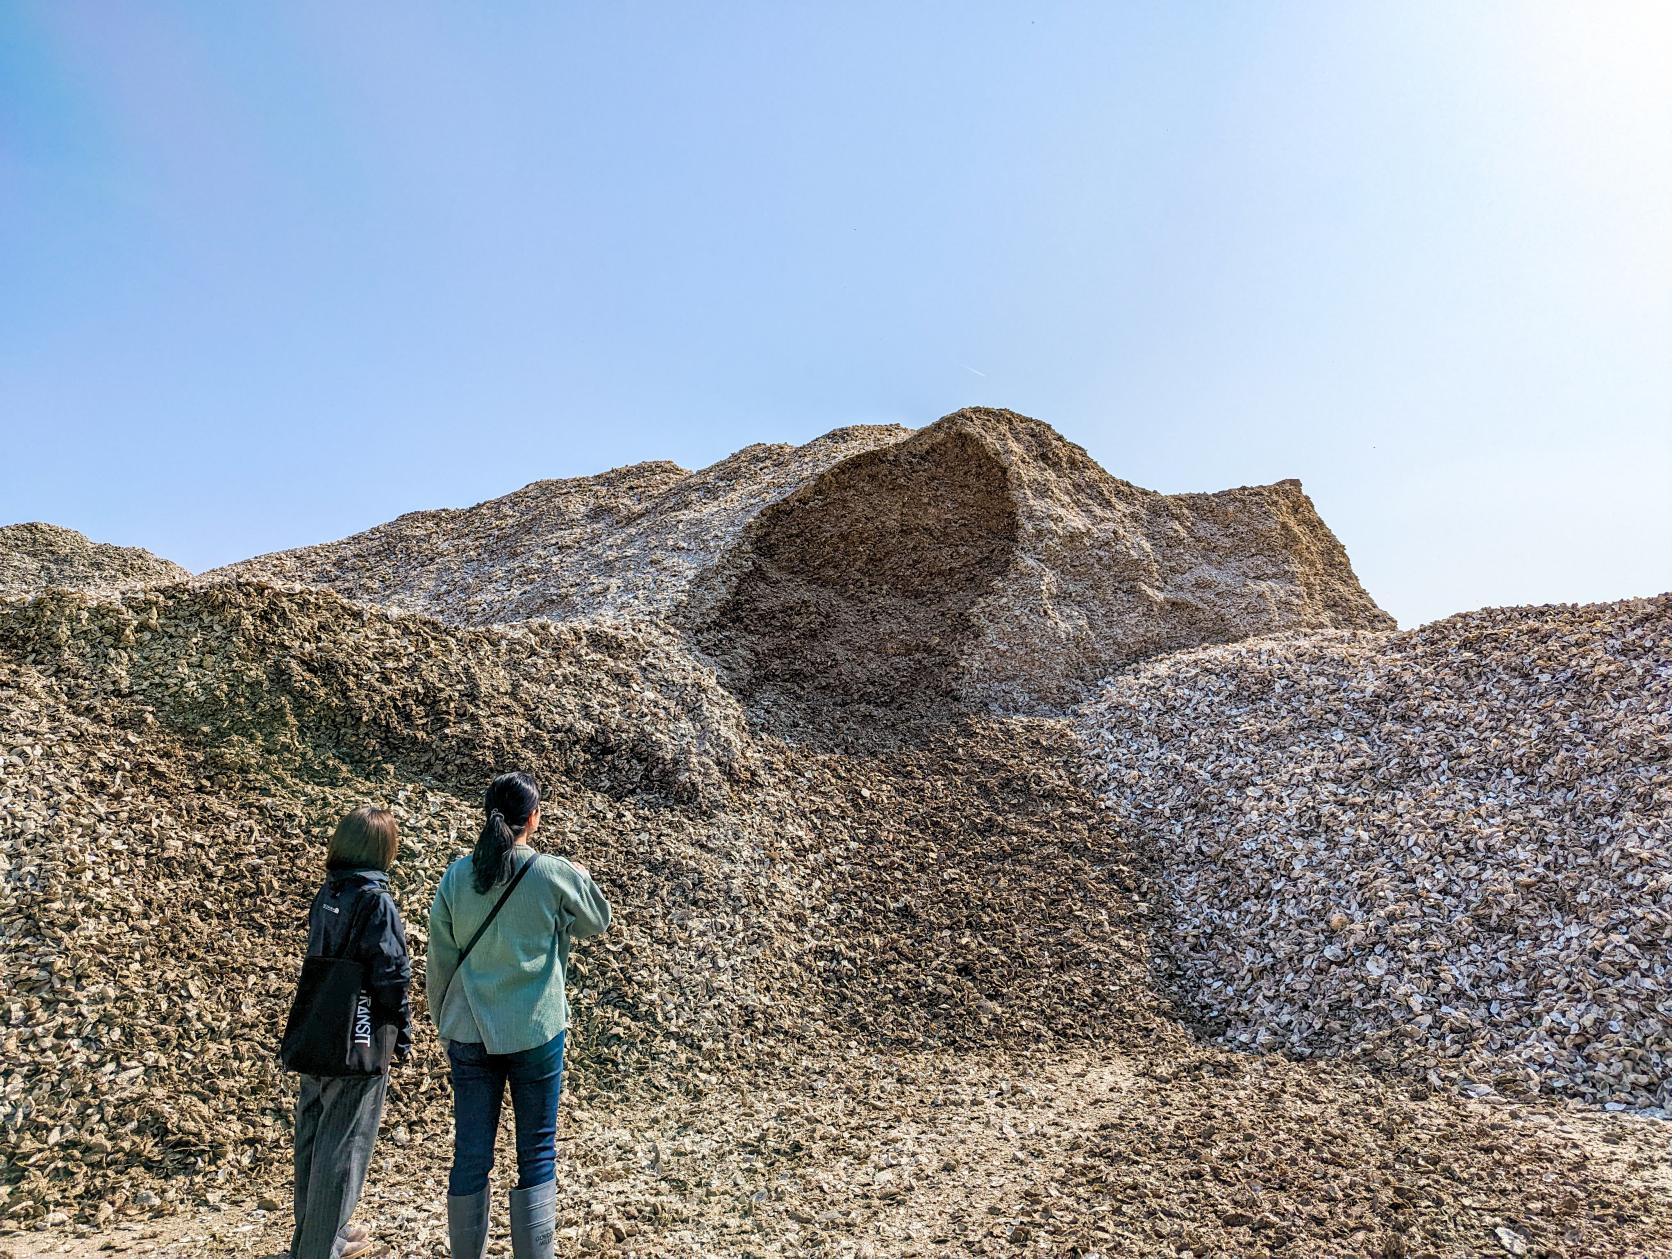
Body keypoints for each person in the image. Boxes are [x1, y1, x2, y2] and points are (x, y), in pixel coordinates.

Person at [429, 772, 612, 1259]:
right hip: (536, 1028)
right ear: (533, 817)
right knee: (536, 1151)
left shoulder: (456, 876)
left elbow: (440, 960)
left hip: (469, 1030)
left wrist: (441, 1021)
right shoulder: (552, 872)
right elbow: (599, 920)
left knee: (470, 1153)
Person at [289, 805, 413, 1259]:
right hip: (358, 1035)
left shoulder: (328, 892)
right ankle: (320, 1247)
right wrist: (401, 1028)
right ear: (383, 849)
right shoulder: (376, 899)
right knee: (346, 1141)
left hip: (319, 1027)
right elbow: (391, 972)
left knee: (314, 1132)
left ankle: (317, 1234)